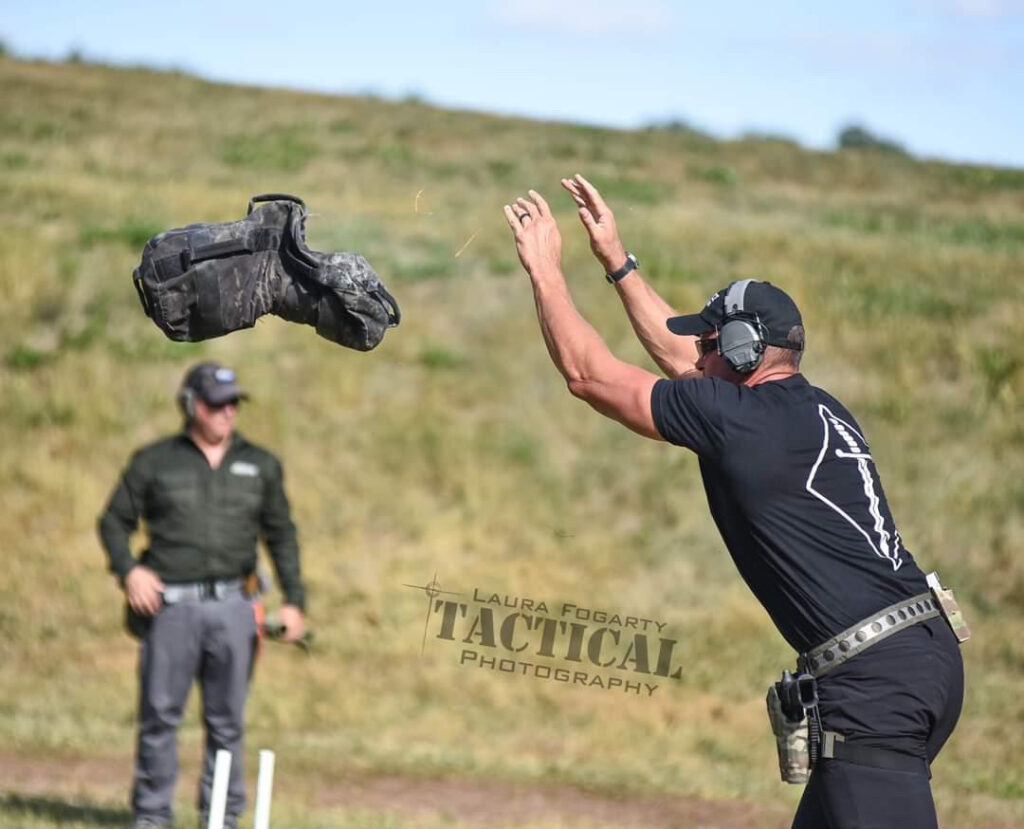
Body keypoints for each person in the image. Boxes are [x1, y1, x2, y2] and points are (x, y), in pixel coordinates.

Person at [503, 176, 964, 829]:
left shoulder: (740, 420)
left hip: (875, 686)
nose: (696, 354)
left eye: (710, 342)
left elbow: (590, 376)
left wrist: (546, 272)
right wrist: (617, 263)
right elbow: (686, 365)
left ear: (742, 350)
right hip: (922, 652)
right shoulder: (813, 408)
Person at [98, 362, 306, 829]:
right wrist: (130, 572)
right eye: (216, 403)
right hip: (171, 608)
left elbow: (282, 535)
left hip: (235, 607)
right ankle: (151, 817)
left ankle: (222, 817)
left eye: (233, 403)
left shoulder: (261, 464)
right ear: (192, 404)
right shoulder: (154, 462)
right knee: (159, 719)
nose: (227, 412)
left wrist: (294, 601)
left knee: (228, 722)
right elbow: (113, 522)